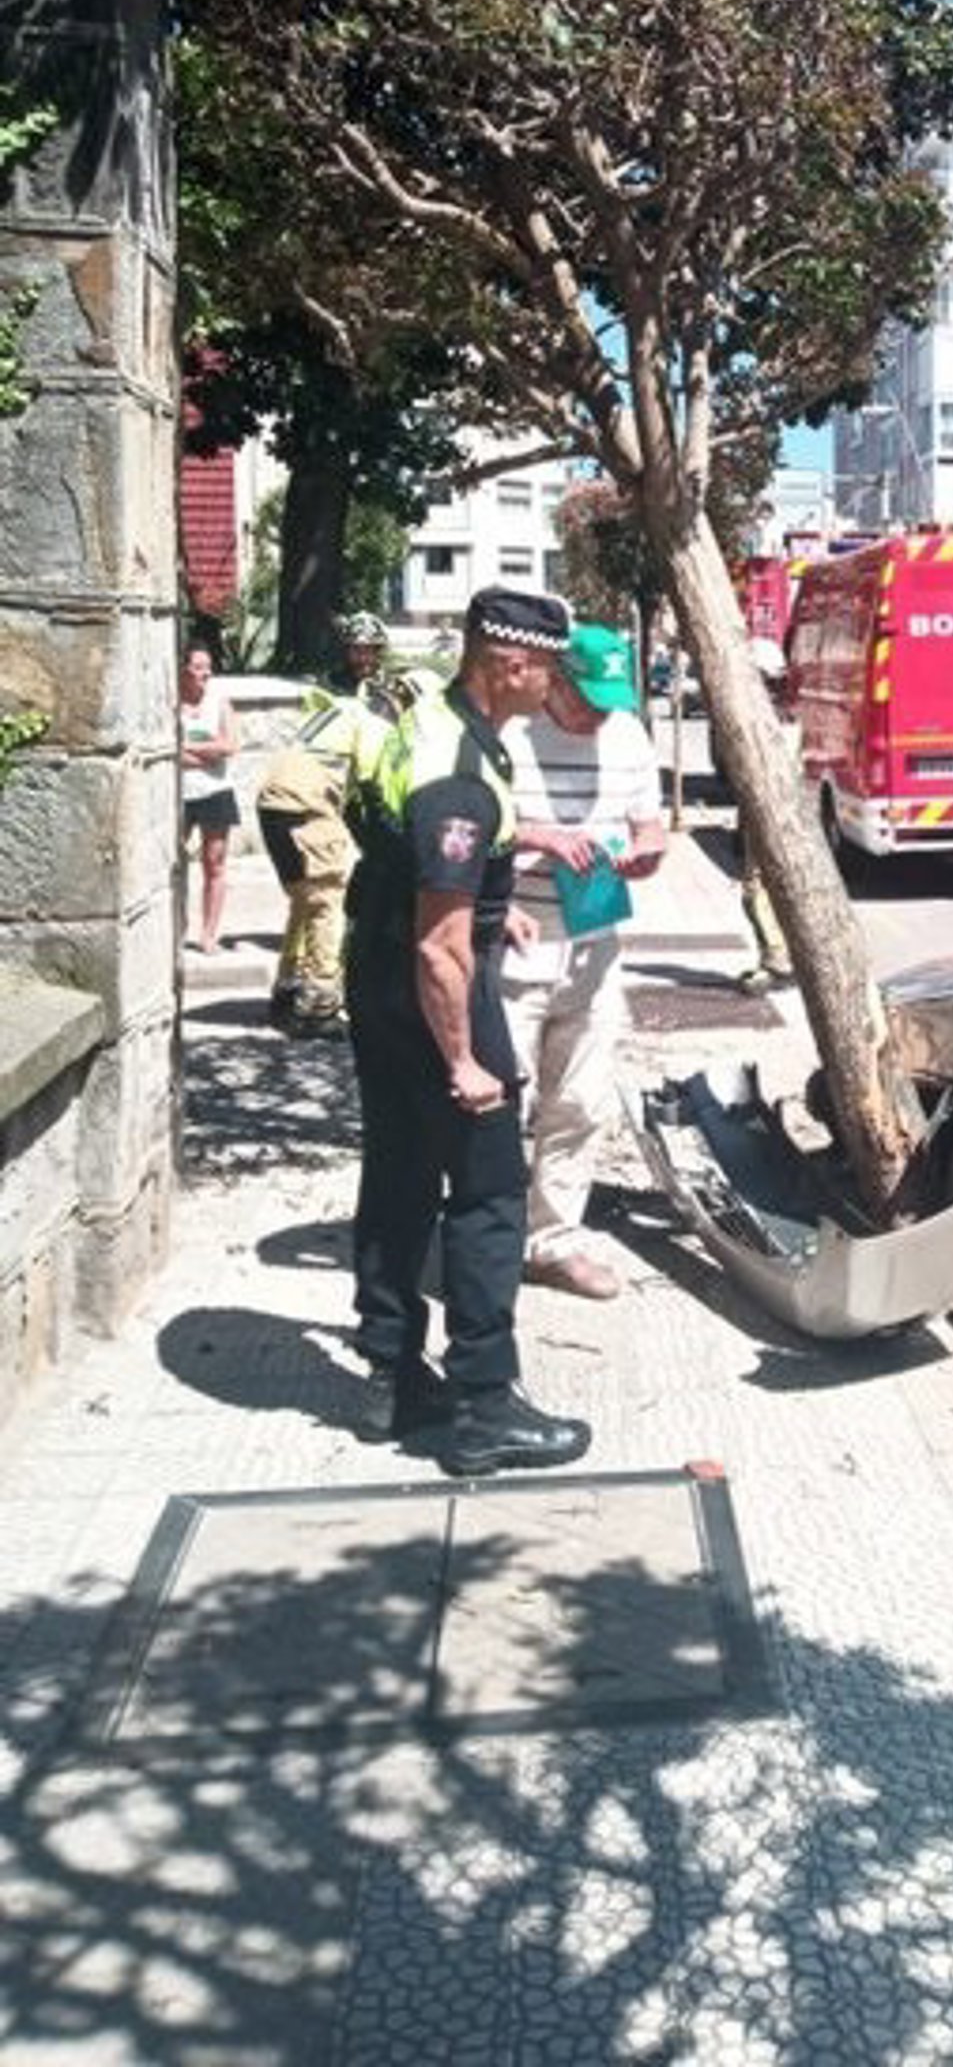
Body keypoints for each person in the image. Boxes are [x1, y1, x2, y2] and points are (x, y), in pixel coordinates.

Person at [344, 585, 591, 1476]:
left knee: (399, 1169)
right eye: (548, 669)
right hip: (428, 988)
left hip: (375, 974)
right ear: (511, 663)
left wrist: (492, 910)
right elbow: (439, 946)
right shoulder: (460, 773)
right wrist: (463, 1060)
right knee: (488, 1191)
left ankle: (391, 1377)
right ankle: (485, 1405)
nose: (554, 685)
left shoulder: (433, 720)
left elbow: (421, 867)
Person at [501, 623, 667, 1301]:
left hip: (594, 940)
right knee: (500, 1103)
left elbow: (649, 825)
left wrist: (649, 852)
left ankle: (553, 1243)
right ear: (556, 681)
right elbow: (468, 824)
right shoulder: (510, 734)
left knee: (580, 1101)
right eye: (589, 700)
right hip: (515, 940)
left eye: (610, 701)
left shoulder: (627, 735)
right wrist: (540, 836)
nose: (600, 716)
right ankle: (486, 1238)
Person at [257, 685, 392, 1034]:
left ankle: (287, 991)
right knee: (327, 903)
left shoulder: (339, 711)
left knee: (305, 901)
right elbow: (372, 790)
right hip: (305, 805)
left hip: (274, 804)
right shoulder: (374, 725)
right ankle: (319, 1007)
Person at [736, 634, 797, 995]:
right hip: (779, 817)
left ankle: (777, 961)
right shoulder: (784, 716)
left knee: (756, 891)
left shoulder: (767, 721)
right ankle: (776, 957)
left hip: (770, 816)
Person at [179, 641, 239, 951]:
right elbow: (169, 751)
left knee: (214, 862)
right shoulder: (172, 704)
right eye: (199, 667)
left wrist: (190, 748)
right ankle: (176, 929)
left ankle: (209, 934)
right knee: (174, 862)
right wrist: (208, 752)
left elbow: (229, 746)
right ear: (184, 669)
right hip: (181, 794)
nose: (206, 673)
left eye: (208, 667)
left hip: (215, 792)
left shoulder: (219, 702)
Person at [326, 611, 406, 723]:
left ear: (378, 653)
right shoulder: (330, 685)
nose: (363, 658)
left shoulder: (393, 687)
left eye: (368, 650)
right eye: (356, 650)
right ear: (346, 652)